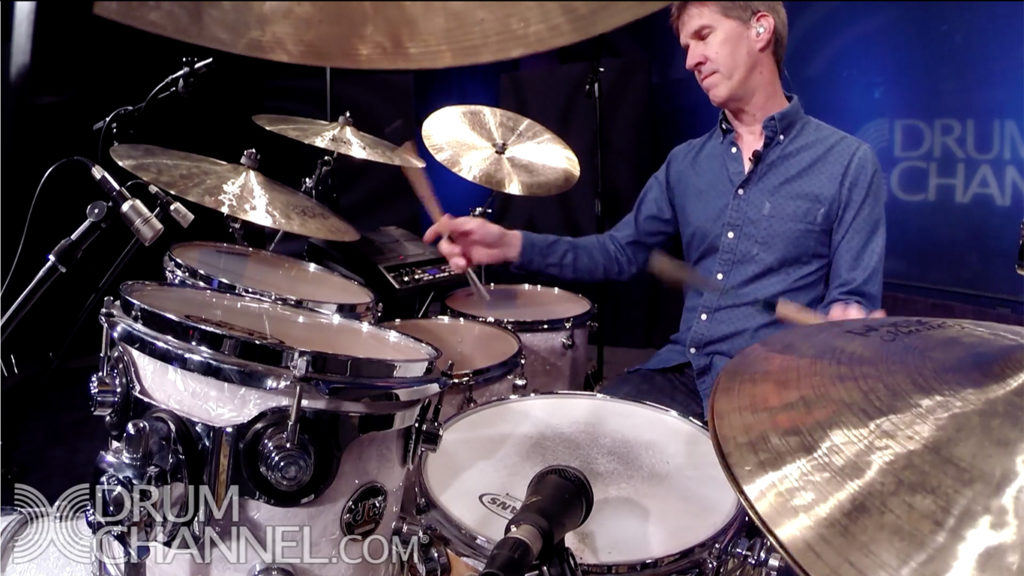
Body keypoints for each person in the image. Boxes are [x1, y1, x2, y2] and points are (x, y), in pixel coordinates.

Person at [423, 1, 886, 423]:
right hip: (684, 372)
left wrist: (846, 323)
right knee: (580, 444)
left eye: (703, 36)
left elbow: (852, 301)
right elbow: (617, 253)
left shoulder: (847, 163)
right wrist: (510, 243)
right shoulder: (686, 164)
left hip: (774, 390)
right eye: (685, 47)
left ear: (760, 29)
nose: (690, 61)